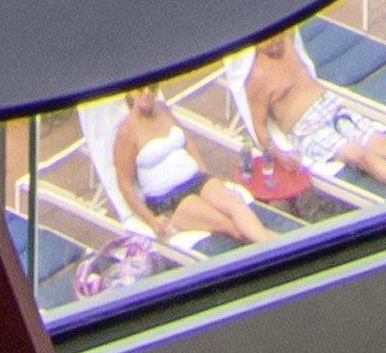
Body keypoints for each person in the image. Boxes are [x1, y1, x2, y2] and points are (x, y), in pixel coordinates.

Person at [239, 34, 386, 201]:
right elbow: (258, 128)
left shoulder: (288, 40)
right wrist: (280, 154)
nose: (277, 45)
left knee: (381, 141)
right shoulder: (257, 78)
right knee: (361, 156)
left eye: (278, 39)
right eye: (270, 44)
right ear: (257, 46)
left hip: (329, 106)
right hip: (308, 129)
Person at [91, 91, 266, 258]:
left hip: (196, 180)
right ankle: (271, 251)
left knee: (236, 204)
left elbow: (187, 141)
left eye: (151, 88)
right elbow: (124, 185)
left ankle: (275, 242)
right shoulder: (126, 133)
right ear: (130, 94)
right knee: (230, 226)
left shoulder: (163, 110)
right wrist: (152, 221)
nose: (147, 93)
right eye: (140, 90)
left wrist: (205, 175)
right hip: (169, 199)